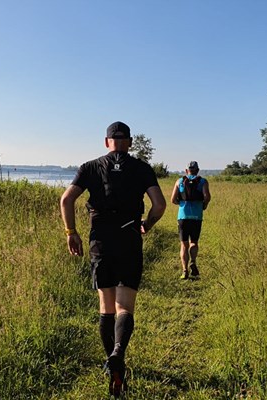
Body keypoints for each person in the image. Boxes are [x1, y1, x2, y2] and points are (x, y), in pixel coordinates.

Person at [60, 121, 166, 397]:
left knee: (106, 306)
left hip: (100, 242)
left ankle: (113, 364)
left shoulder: (90, 167)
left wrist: (71, 232)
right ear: (129, 142)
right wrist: (148, 224)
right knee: (125, 305)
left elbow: (66, 200)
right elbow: (160, 205)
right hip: (129, 238)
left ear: (107, 141)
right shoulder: (142, 168)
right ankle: (119, 354)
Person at [170, 161, 211, 279]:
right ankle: (193, 261)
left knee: (184, 245)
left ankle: (184, 270)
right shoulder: (203, 181)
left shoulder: (179, 181)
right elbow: (207, 197)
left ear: (186, 170)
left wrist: (181, 203)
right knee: (194, 242)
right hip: (197, 217)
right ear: (197, 170)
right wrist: (204, 205)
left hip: (183, 217)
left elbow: (173, 199)